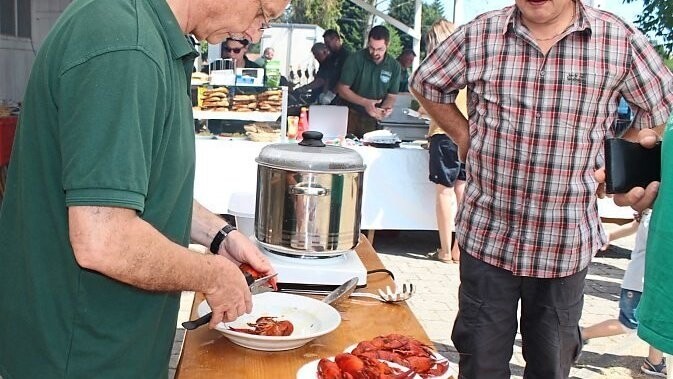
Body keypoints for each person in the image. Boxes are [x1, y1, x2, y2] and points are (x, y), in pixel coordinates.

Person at [0, 0, 289, 377]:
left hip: (109, 345)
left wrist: (218, 235)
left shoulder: (148, 35)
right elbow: (103, 239)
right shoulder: (125, 46)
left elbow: (135, 187)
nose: (254, 33)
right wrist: (211, 275)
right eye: (262, 14)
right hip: (80, 356)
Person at [410, 0, 673, 377]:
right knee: (480, 367)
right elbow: (427, 82)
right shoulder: (481, 32)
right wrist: (463, 135)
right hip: (488, 238)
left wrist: (615, 165)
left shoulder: (617, 38)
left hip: (564, 244)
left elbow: (660, 103)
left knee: (550, 368)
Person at [581, 210, 667, 377]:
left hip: (650, 281)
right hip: (641, 282)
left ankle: (654, 362)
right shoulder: (657, 217)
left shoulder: (654, 212)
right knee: (628, 324)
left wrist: (608, 236)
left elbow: (632, 226)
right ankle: (580, 334)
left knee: (659, 319)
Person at [421, 20, 466, 265]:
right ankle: (461, 248)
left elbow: (426, 104)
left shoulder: (437, 69)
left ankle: (445, 250)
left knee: (444, 192)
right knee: (464, 191)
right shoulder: (469, 64)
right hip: (467, 133)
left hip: (443, 133)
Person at [337, 25, 401, 138]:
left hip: (373, 119)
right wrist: (365, 102)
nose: (375, 52)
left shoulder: (394, 66)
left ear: (388, 45)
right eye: (371, 48)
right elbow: (342, 89)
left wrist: (385, 108)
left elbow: (392, 95)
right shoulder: (355, 59)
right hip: (350, 115)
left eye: (380, 49)